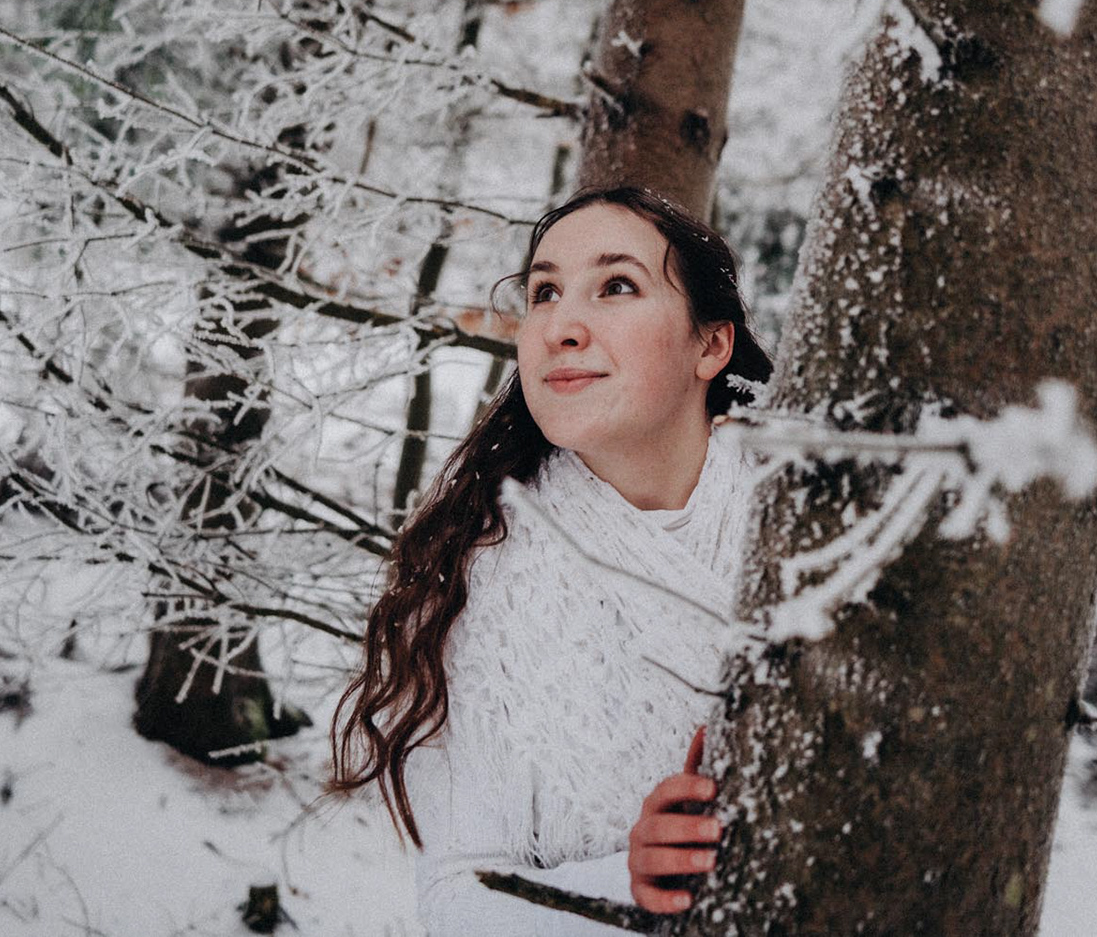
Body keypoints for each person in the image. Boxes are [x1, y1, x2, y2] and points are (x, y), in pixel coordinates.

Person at [327, 185, 776, 934]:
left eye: (617, 285)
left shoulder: (823, 526)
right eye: (544, 293)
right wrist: (629, 882)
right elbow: (457, 902)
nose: (561, 327)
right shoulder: (472, 581)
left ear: (711, 345)